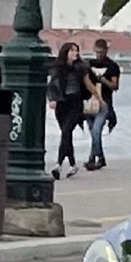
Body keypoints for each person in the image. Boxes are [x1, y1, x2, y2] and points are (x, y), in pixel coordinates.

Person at [51, 41, 90, 177]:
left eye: (77, 50)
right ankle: (73, 165)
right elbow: (52, 84)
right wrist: (52, 99)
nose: (75, 53)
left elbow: (90, 84)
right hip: (62, 103)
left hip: (75, 103)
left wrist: (99, 99)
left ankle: (58, 165)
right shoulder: (58, 67)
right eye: (72, 51)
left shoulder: (81, 67)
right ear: (66, 52)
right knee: (66, 134)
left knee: (66, 131)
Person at [84, 37, 123, 172]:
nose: (99, 54)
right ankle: (95, 158)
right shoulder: (89, 64)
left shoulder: (112, 66)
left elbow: (115, 86)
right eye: (97, 52)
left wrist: (103, 80)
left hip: (104, 102)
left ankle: (97, 158)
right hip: (89, 101)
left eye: (101, 52)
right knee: (93, 133)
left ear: (106, 50)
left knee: (96, 131)